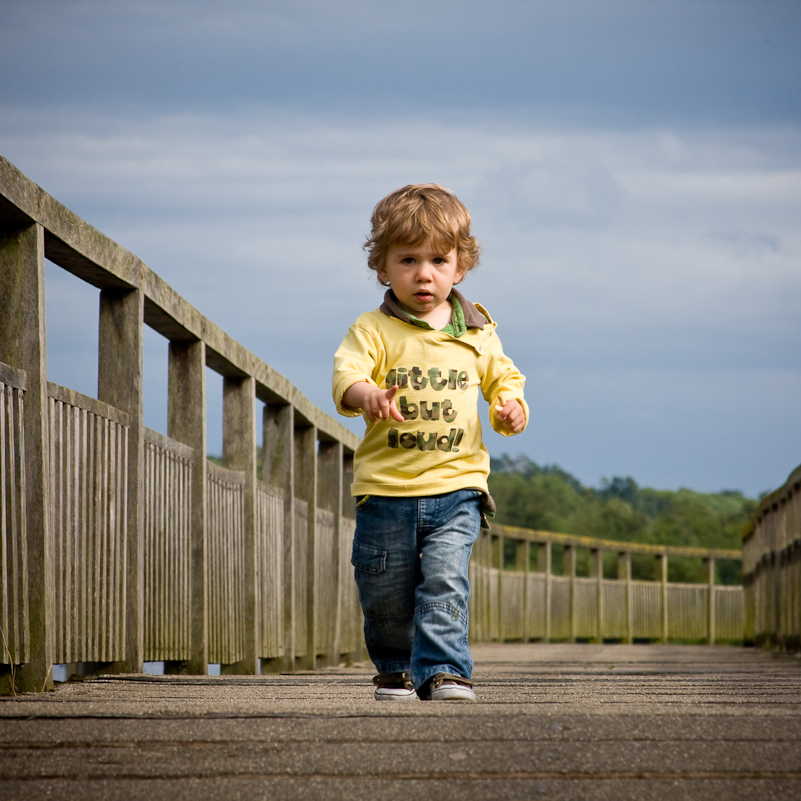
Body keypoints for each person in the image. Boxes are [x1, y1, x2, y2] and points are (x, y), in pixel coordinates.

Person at [332, 184, 528, 701]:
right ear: (383, 267)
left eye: (439, 260)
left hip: (457, 485)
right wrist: (367, 394)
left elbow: (504, 381)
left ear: (460, 266)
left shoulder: (477, 332)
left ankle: (444, 669)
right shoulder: (373, 329)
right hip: (386, 490)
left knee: (444, 579)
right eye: (408, 260)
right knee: (385, 595)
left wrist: (510, 410)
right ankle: (396, 667)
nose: (424, 274)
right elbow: (346, 376)